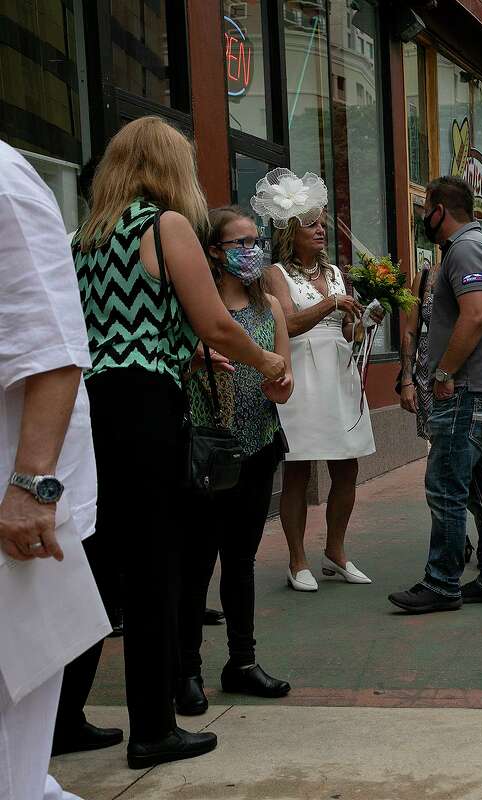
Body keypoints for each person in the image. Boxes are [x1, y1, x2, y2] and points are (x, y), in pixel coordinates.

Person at [61, 116, 287, 769]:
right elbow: (214, 320)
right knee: (154, 566)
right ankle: (153, 728)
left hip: (91, 407)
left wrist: (184, 351)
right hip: (146, 408)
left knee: (99, 569)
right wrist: (266, 361)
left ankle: (62, 718)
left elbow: (110, 328)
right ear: (169, 166)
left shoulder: (84, 237)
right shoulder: (165, 227)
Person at [0, 139, 111, 800]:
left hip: (13, 498)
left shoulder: (4, 185)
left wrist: (29, 491)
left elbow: (55, 351)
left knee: (13, 701)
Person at [175, 207, 295, 718]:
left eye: (255, 240)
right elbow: (170, 365)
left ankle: (242, 662)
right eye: (239, 243)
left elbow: (285, 379)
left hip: (259, 445)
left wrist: (281, 384)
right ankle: (185, 671)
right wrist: (192, 361)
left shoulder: (270, 307)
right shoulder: (193, 307)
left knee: (241, 561)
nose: (251, 251)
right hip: (207, 450)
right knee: (197, 562)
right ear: (213, 252)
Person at [388, 176, 482, 614]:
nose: (424, 216)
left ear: (440, 210)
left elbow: (475, 316)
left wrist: (444, 372)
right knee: (481, 487)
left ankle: (442, 583)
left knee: (445, 486)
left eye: (427, 208)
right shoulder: (479, 246)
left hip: (466, 391)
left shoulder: (464, 249)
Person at [259, 169, 376, 593]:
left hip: (339, 373)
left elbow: (347, 332)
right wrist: (330, 303)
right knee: (299, 469)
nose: (321, 231)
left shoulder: (336, 273)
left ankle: (335, 552)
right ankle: (297, 560)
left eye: (323, 224)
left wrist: (362, 323)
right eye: (312, 224)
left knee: (348, 467)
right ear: (291, 231)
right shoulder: (276, 274)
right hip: (303, 376)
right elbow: (287, 324)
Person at [397, 233, 477, 565]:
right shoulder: (426, 276)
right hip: (428, 377)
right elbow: (410, 330)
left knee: (467, 463)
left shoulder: (474, 274)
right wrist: (406, 379)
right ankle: (456, 538)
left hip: (466, 374)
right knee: (439, 462)